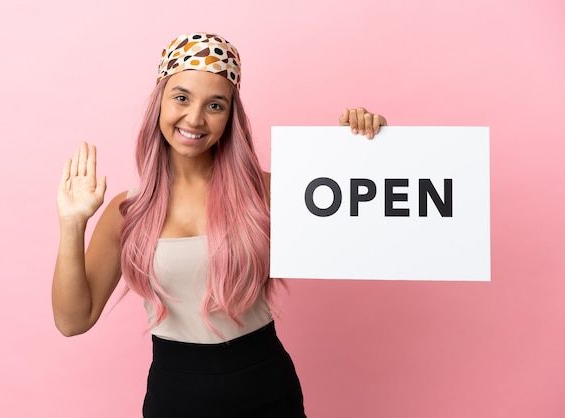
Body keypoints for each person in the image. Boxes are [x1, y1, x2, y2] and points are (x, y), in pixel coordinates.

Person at [52, 32, 386, 418]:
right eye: (181, 97)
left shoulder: (267, 191)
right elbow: (73, 321)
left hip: (267, 389)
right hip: (174, 396)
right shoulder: (129, 210)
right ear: (159, 101)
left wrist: (366, 147)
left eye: (215, 104)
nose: (194, 118)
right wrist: (72, 225)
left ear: (230, 116)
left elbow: (362, 222)